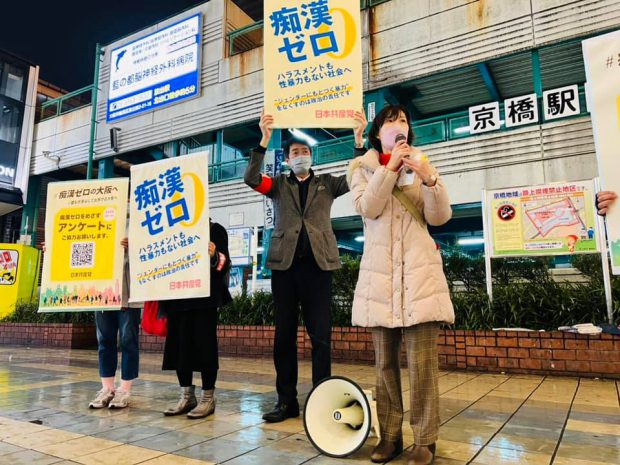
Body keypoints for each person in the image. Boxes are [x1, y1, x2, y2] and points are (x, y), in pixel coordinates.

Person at [347, 104, 454, 465]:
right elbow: (368, 206)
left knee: (422, 365)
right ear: (378, 133)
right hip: (381, 279)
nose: (399, 125)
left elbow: (438, 217)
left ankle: (425, 440)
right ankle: (390, 437)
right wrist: (389, 168)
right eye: (391, 121)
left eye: (404, 120)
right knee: (384, 366)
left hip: (419, 279)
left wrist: (430, 179)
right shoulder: (361, 168)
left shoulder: (423, 165)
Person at [243, 111, 364, 423]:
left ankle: (322, 398)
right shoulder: (278, 185)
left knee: (321, 336)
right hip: (284, 269)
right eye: (295, 152)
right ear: (286, 158)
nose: (301, 156)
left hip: (319, 268)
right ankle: (287, 401)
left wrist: (358, 140)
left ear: (312, 156)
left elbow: (357, 177)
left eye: (305, 152)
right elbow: (251, 179)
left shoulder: (326, 184)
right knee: (284, 336)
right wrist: (264, 140)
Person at [41, 235, 141, 409]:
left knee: (128, 340)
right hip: (102, 290)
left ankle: (124, 389)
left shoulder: (140, 216)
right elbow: (79, 241)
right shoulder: (97, 211)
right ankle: (107, 388)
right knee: (104, 340)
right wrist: (55, 249)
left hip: (129, 290)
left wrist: (136, 245)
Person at [161, 219, 231, 419]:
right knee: (179, 346)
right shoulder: (170, 230)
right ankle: (186, 396)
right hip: (176, 297)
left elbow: (225, 262)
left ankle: (208, 398)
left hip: (204, 299)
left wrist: (214, 256)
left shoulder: (214, 229)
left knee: (205, 346)